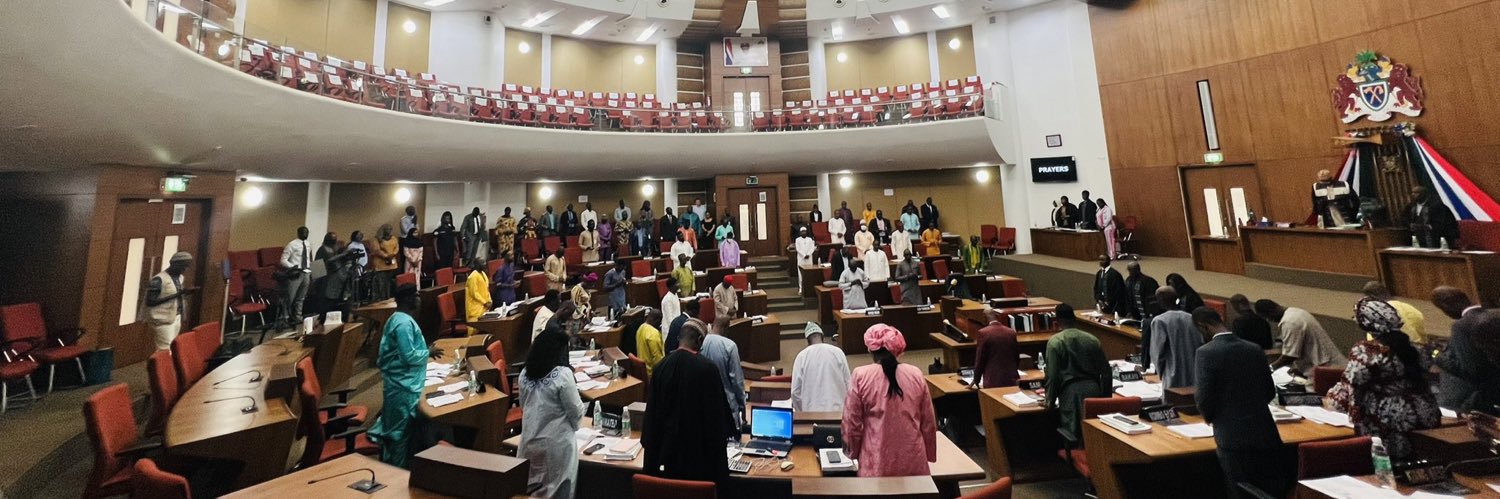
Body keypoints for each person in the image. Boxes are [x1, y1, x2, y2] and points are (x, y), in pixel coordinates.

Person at [1191, 307, 1290, 498]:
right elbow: (1269, 390)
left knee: (1239, 491)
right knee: (1268, 490)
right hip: (1265, 432)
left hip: (1231, 436)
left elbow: (1203, 396)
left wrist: (1210, 417)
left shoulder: (1206, 353)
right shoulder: (1253, 348)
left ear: (1203, 327)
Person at [1328, 298, 1441, 459]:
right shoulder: (1416, 349)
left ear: (1366, 323)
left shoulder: (1367, 351)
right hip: (1424, 415)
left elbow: (1353, 382)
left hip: (1386, 421)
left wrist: (1333, 401)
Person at [642, 318, 734, 482]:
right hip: (701, 464)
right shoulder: (707, 369)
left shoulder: (660, 368)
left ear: (679, 338)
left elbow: (651, 419)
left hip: (668, 461)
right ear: (699, 341)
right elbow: (717, 421)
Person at [842, 324, 938, 477]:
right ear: (898, 348)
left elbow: (851, 423)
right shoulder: (915, 374)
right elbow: (928, 422)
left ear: (869, 348)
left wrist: (852, 452)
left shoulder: (860, 375)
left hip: (875, 461)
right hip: (914, 460)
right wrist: (930, 453)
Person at [517, 325, 584, 498]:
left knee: (532, 491)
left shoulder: (524, 374)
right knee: (559, 490)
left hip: (529, 441)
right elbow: (575, 411)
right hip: (557, 444)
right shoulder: (563, 375)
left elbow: (524, 406)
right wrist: (576, 427)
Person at [367, 284, 430, 467]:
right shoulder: (402, 323)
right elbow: (408, 355)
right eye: (416, 296)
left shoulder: (398, 318)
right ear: (408, 299)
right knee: (399, 434)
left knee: (401, 431)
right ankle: (397, 473)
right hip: (402, 386)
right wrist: (428, 352)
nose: (419, 299)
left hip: (401, 382)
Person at [1044, 304, 1111, 444]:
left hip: (1071, 393)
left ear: (1056, 321)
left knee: (1074, 434)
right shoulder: (1092, 339)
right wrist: (1106, 399)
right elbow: (1106, 372)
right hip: (1094, 390)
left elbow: (1053, 376)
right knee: (1095, 432)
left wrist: (1049, 400)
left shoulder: (1055, 342)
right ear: (1075, 319)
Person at [1432, 286, 1500, 411]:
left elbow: (1472, 370)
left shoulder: (1461, 327)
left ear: (1446, 306)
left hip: (1481, 397)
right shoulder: (1496, 314)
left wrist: (1437, 356)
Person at [1257, 299, 1347, 375]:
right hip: (1330, 366)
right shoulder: (1296, 312)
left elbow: (1289, 356)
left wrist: (1270, 369)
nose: (1269, 321)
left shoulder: (1290, 322)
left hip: (1327, 370)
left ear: (1269, 314)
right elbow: (1297, 347)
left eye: (1267, 318)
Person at [1148, 287, 1202, 389]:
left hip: (1172, 372)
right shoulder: (1191, 318)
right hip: (1193, 371)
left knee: (1173, 401)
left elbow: (1157, 352)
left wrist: (1159, 372)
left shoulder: (1159, 321)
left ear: (1160, 301)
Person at [792, 323, 850, 412]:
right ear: (822, 336)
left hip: (811, 413)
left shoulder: (801, 357)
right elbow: (849, 384)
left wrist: (802, 411)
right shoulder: (838, 352)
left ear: (807, 340)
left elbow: (795, 392)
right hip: (838, 412)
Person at [701, 316, 747, 429]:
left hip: (704, 404)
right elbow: (736, 380)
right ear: (726, 329)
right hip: (726, 405)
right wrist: (742, 404)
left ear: (712, 326)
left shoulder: (699, 342)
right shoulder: (729, 346)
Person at [145, 252, 195, 350]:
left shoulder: (180, 278)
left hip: (176, 317)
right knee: (164, 350)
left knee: (173, 348)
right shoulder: (159, 279)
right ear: (174, 264)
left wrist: (186, 293)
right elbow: (150, 301)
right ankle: (160, 366)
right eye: (183, 266)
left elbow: (176, 294)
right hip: (162, 319)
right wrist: (178, 294)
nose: (185, 270)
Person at [1122, 261, 1160, 365]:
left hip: (1147, 314)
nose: (1130, 272)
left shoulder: (1148, 281)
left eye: (1132, 270)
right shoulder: (1128, 281)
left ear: (1138, 269)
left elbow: (1153, 301)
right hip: (1135, 314)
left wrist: (1150, 314)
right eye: (1129, 270)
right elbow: (1127, 298)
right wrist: (1129, 311)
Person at [970, 309, 1019, 389]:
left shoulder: (983, 333)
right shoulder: (1011, 332)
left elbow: (980, 360)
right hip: (1012, 379)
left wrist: (976, 380)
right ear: (997, 317)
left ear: (984, 318)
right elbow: (1016, 357)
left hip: (993, 380)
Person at [279, 226, 314, 325]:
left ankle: (298, 317)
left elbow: (308, 258)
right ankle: (285, 318)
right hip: (295, 273)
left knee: (301, 297)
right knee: (290, 297)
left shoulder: (308, 244)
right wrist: (293, 267)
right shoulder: (292, 244)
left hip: (306, 272)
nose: (305, 234)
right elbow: (283, 260)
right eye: (303, 233)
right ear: (298, 233)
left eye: (307, 232)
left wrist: (310, 269)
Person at [369, 224, 400, 300]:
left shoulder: (393, 238)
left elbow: (396, 247)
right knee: (381, 283)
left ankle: (390, 297)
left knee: (390, 283)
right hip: (380, 265)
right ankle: (381, 298)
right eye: (387, 229)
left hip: (391, 264)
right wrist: (386, 256)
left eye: (390, 229)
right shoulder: (376, 239)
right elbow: (376, 250)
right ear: (383, 230)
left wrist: (393, 254)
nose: (389, 231)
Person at [636, 309, 666, 373]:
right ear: (656, 320)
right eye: (660, 321)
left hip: (641, 370)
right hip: (651, 373)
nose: (660, 323)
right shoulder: (653, 333)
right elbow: (657, 359)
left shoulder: (641, 327)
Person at [464, 259, 491, 323]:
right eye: (482, 263)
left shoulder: (483, 274)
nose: (484, 264)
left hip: (484, 307)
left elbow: (487, 289)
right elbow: (474, 293)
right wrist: (484, 302)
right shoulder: (472, 276)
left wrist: (489, 300)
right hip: (475, 308)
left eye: (484, 262)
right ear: (476, 265)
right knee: (474, 330)